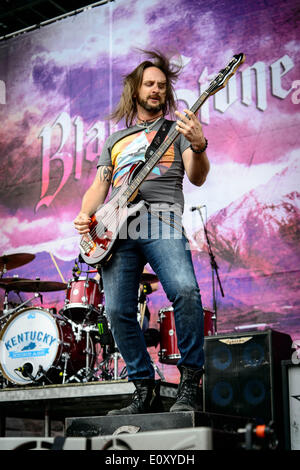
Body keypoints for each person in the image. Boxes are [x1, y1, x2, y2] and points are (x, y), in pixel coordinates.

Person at [74, 50, 210, 415]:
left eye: (162, 86)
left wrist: (198, 144)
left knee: (184, 289)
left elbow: (196, 176)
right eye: (149, 84)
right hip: (115, 229)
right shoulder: (115, 140)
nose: (156, 90)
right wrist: (86, 214)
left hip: (161, 217)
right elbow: (98, 186)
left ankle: (190, 383)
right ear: (135, 90)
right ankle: (143, 388)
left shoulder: (176, 131)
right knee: (117, 310)